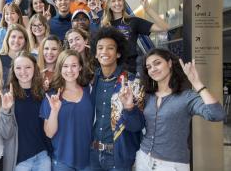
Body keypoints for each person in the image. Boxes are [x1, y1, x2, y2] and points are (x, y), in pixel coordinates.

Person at [135, 48, 226, 171]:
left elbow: (217, 114)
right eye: (149, 67)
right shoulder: (147, 96)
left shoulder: (187, 96)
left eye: (157, 63)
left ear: (170, 63)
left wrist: (197, 83)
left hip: (172, 165)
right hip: (143, 159)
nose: (153, 69)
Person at [90, 26, 145, 171]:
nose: (104, 52)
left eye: (110, 48)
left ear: (118, 53)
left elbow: (137, 126)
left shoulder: (132, 82)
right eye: (100, 48)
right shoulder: (91, 81)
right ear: (95, 54)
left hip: (119, 155)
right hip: (93, 155)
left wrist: (129, 108)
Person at [40, 49, 94, 171]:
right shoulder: (52, 96)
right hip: (62, 160)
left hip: (88, 159)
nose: (69, 70)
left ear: (80, 67)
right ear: (60, 68)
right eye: (65, 66)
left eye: (74, 65)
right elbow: (49, 133)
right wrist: (54, 110)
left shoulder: (89, 91)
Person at [0, 51, 51, 171]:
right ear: (13, 70)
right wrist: (6, 110)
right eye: (18, 68)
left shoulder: (42, 94)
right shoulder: (7, 94)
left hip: (42, 156)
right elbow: (5, 133)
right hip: (19, 161)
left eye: (28, 67)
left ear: (35, 69)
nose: (23, 72)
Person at [101, 0, 169, 73]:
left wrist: (148, 9)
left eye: (119, 0)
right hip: (113, 67)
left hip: (133, 66)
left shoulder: (134, 21)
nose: (117, 3)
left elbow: (164, 27)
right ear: (109, 5)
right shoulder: (106, 26)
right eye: (113, 1)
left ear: (123, 2)